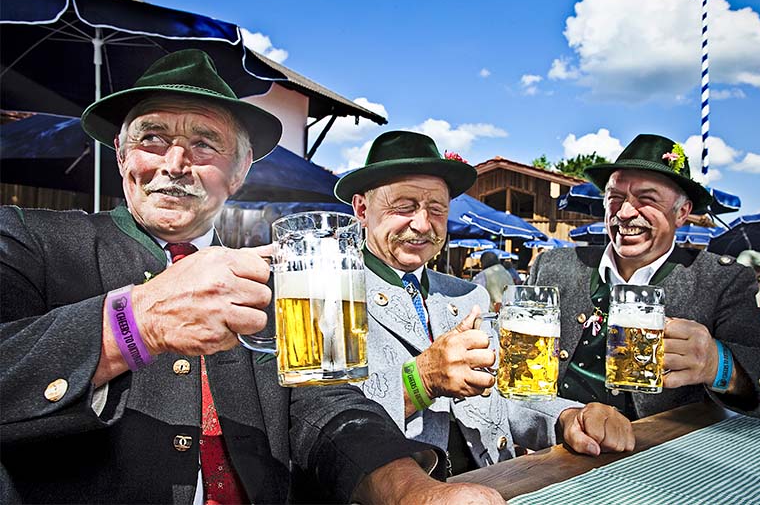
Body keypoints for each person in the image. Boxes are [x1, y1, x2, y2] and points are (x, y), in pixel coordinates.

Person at [0, 51, 501, 504]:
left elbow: (325, 404)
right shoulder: (29, 240)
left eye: (204, 144)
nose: (174, 163)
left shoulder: (273, 283)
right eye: (152, 138)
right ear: (122, 154)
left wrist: (409, 492)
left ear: (239, 172)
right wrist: (135, 322)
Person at [334, 131, 634, 477]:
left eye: (437, 209)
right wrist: (420, 381)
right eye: (404, 206)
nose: (422, 224)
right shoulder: (327, 296)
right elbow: (320, 417)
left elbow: (504, 398)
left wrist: (569, 418)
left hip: (495, 482)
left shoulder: (468, 296)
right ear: (361, 208)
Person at [527, 133, 760, 420]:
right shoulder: (554, 265)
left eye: (647, 199)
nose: (625, 212)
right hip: (555, 446)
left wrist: (718, 364)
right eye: (615, 197)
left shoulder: (719, 280)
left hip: (657, 454)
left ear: (681, 213)